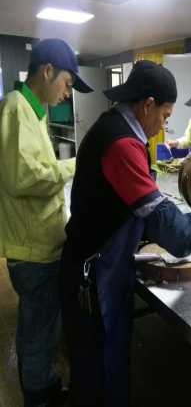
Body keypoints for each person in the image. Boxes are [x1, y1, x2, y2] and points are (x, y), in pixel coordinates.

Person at [60, 60, 191, 407]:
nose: (164, 124)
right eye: (165, 114)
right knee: (103, 364)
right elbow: (156, 213)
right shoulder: (122, 144)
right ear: (147, 105)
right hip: (95, 274)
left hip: (97, 260)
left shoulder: (113, 126)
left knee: (98, 361)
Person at [0, 38, 93, 406]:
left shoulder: (32, 111)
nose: (67, 93)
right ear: (47, 71)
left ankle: (45, 384)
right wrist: (76, 165)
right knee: (38, 330)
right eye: (67, 83)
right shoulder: (15, 109)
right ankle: (40, 396)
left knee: (42, 325)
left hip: (42, 240)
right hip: (32, 249)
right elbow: (24, 177)